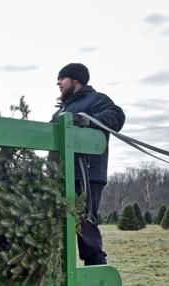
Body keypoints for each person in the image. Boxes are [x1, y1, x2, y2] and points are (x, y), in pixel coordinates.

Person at [52, 63, 125, 265]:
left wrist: (87, 120)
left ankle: (96, 267)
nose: (58, 82)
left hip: (87, 174)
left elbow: (117, 116)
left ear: (76, 80)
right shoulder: (62, 110)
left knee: (86, 224)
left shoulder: (96, 100)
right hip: (61, 175)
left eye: (62, 78)